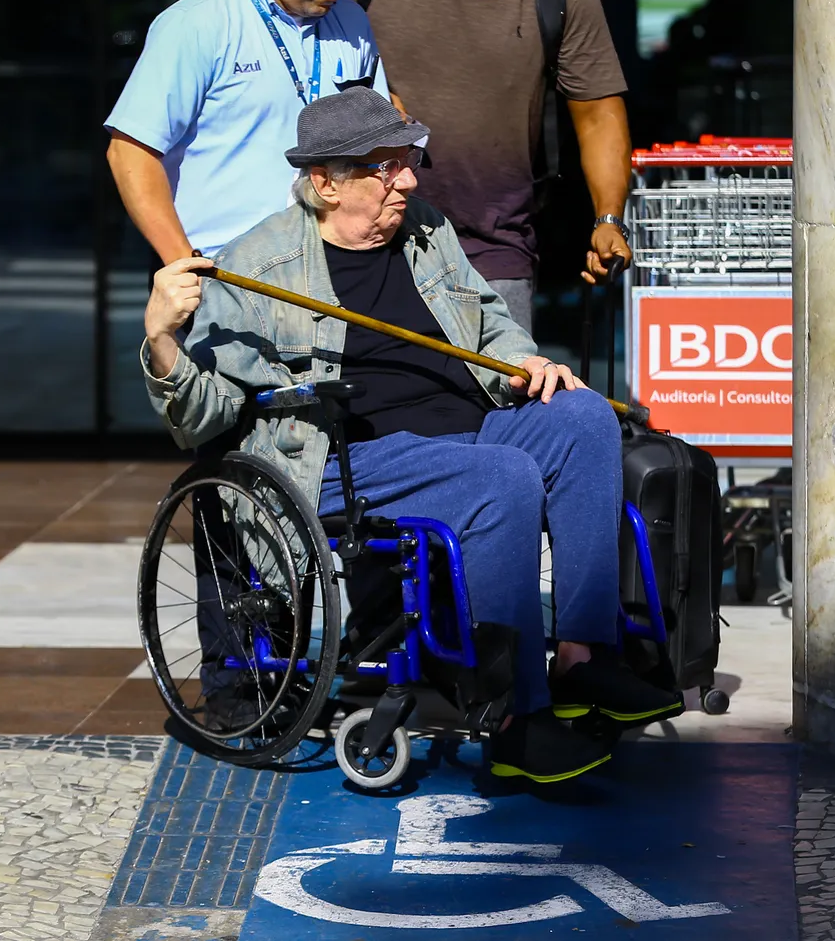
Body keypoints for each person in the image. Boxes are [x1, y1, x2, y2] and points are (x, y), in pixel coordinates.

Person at [141, 87, 682, 785]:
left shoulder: (425, 230)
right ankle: (514, 718)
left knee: (582, 417)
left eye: (409, 160)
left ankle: (581, 659)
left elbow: (488, 320)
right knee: (504, 477)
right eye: (386, 166)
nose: (409, 180)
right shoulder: (257, 268)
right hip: (347, 457)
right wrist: (162, 338)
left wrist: (528, 359)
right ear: (325, 183)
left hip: (467, 425)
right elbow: (202, 418)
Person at [349, 0, 632, 331]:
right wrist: (363, 101)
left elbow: (597, 115)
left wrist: (608, 218)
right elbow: (303, 63)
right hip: (369, 236)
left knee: (500, 405)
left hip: (496, 250)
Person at [105, 0, 389, 262]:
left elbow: (379, 144)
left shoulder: (353, 22)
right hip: (226, 276)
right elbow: (130, 152)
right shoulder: (196, 24)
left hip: (333, 272)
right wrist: (185, 264)